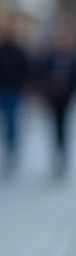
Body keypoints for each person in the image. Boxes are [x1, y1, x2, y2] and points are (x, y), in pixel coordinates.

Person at [0, 18, 32, 174]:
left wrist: (25, 88)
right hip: (2, 90)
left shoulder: (18, 51)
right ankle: (7, 149)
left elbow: (25, 71)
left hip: (15, 90)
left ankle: (12, 151)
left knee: (12, 121)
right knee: (4, 122)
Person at [35, 25, 76, 177]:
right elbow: (41, 74)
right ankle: (57, 153)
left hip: (65, 97)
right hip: (53, 97)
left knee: (64, 126)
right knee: (54, 126)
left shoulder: (71, 57)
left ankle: (63, 154)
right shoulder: (50, 57)